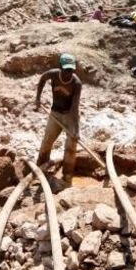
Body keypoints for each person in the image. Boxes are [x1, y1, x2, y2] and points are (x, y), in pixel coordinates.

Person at [35, 54, 83, 183]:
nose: (69, 73)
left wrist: (76, 130)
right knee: (47, 141)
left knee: (72, 144)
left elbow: (75, 107)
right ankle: (40, 168)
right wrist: (38, 98)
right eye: (66, 69)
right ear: (60, 67)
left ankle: (67, 174)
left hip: (69, 115)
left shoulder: (76, 83)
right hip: (55, 113)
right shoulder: (53, 74)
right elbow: (42, 79)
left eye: (71, 70)